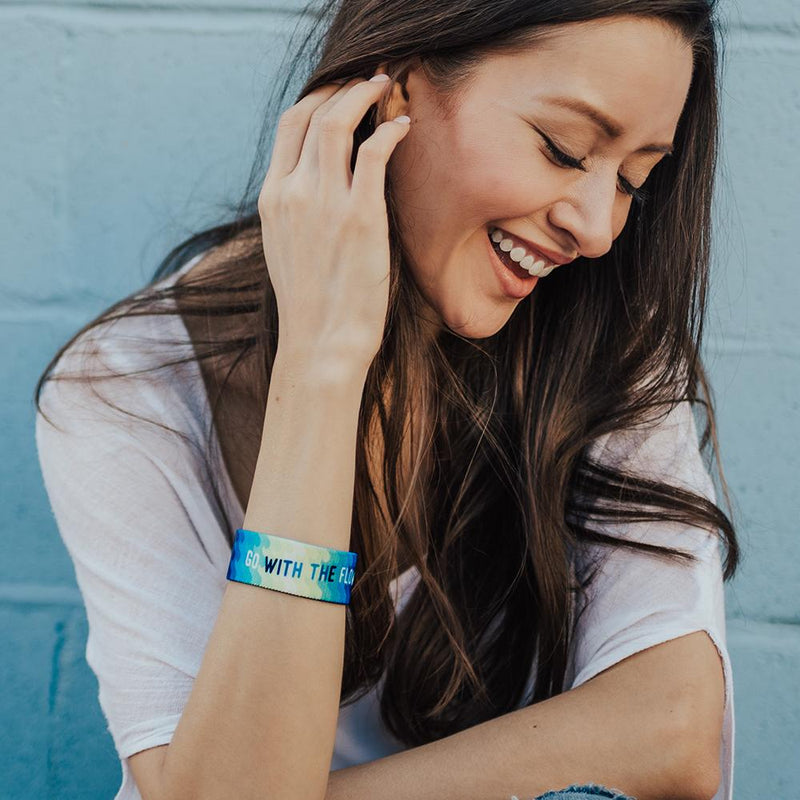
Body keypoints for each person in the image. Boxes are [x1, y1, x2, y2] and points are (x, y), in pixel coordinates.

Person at [34, 0, 741, 798]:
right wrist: (322, 368)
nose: (598, 228)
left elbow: (675, 730)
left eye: (634, 181)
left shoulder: (606, 342)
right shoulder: (127, 388)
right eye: (563, 148)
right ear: (392, 89)